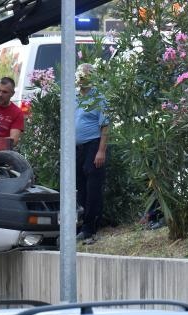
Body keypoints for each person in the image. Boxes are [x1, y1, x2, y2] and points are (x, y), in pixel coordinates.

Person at [75, 63, 109, 245]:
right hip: (76, 148)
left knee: (92, 188)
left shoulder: (99, 98)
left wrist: (101, 151)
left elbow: (105, 126)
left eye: (85, 75)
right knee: (79, 187)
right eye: (80, 75)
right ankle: (80, 225)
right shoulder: (73, 96)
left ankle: (90, 228)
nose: (82, 79)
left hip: (93, 145)